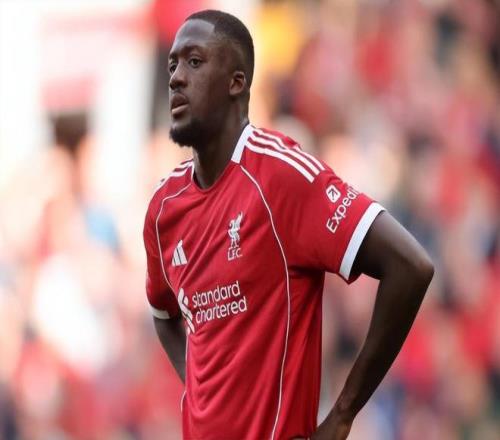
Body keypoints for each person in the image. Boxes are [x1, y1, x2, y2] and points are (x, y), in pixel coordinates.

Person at [143, 9, 434, 440]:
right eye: (172, 65)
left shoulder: (281, 176)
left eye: (195, 61)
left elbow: (410, 266)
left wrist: (342, 415)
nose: (176, 78)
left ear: (236, 82)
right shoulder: (163, 208)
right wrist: (200, 390)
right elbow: (163, 313)